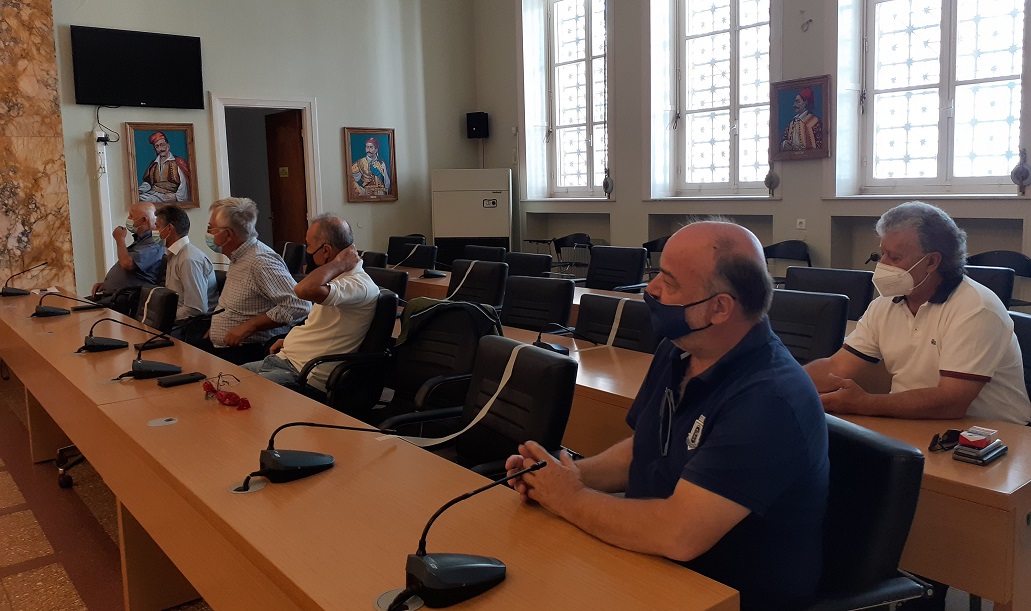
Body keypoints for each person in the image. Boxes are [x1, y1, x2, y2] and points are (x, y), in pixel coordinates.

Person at [505, 221, 829, 611]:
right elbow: (643, 449)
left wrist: (570, 499)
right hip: (651, 565)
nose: (651, 289)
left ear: (720, 307)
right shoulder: (680, 350)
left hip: (724, 594)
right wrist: (560, 476)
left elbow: (679, 534)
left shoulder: (770, 399)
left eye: (669, 282)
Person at [805, 201, 1031, 425]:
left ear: (932, 261)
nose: (882, 265)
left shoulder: (976, 308)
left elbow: (952, 401)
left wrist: (864, 403)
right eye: (881, 255)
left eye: (894, 257)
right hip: (915, 422)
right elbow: (837, 367)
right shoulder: (885, 304)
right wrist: (788, 382)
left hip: (995, 434)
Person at [241, 214, 378, 391]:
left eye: (309, 245)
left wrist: (339, 263)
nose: (307, 251)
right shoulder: (333, 277)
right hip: (286, 359)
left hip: (304, 374)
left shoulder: (359, 284)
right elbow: (321, 325)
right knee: (227, 379)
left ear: (326, 251)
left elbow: (302, 290)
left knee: (240, 390)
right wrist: (290, 341)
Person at [194, 197, 309, 365]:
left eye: (211, 228)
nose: (208, 233)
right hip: (223, 345)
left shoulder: (260, 261)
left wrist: (250, 326)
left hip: (249, 350)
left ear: (227, 234)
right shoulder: (238, 256)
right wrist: (217, 325)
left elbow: (299, 305)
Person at [154, 205, 218, 338]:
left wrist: (164, 318)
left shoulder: (189, 259)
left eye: (157, 226)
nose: (154, 231)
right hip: (179, 323)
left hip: (191, 328)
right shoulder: (174, 254)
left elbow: (196, 308)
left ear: (169, 228)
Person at [91, 201, 166, 302]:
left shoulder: (155, 243)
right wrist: (106, 285)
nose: (128, 219)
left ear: (143, 220)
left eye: (131, 216)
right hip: (112, 294)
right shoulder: (141, 240)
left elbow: (127, 264)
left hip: (126, 299)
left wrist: (120, 239)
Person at [138, 131, 190, 203]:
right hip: (153, 194)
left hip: (169, 196)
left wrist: (176, 196)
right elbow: (148, 183)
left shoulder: (178, 162)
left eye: (162, 145)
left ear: (168, 145)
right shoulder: (154, 164)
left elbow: (184, 184)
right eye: (157, 146)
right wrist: (140, 190)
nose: (160, 148)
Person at [780, 87, 823, 151]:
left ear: (806, 103)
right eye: (795, 102)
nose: (794, 105)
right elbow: (783, 140)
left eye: (798, 102)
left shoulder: (815, 122)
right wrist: (784, 144)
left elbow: (820, 145)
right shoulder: (792, 123)